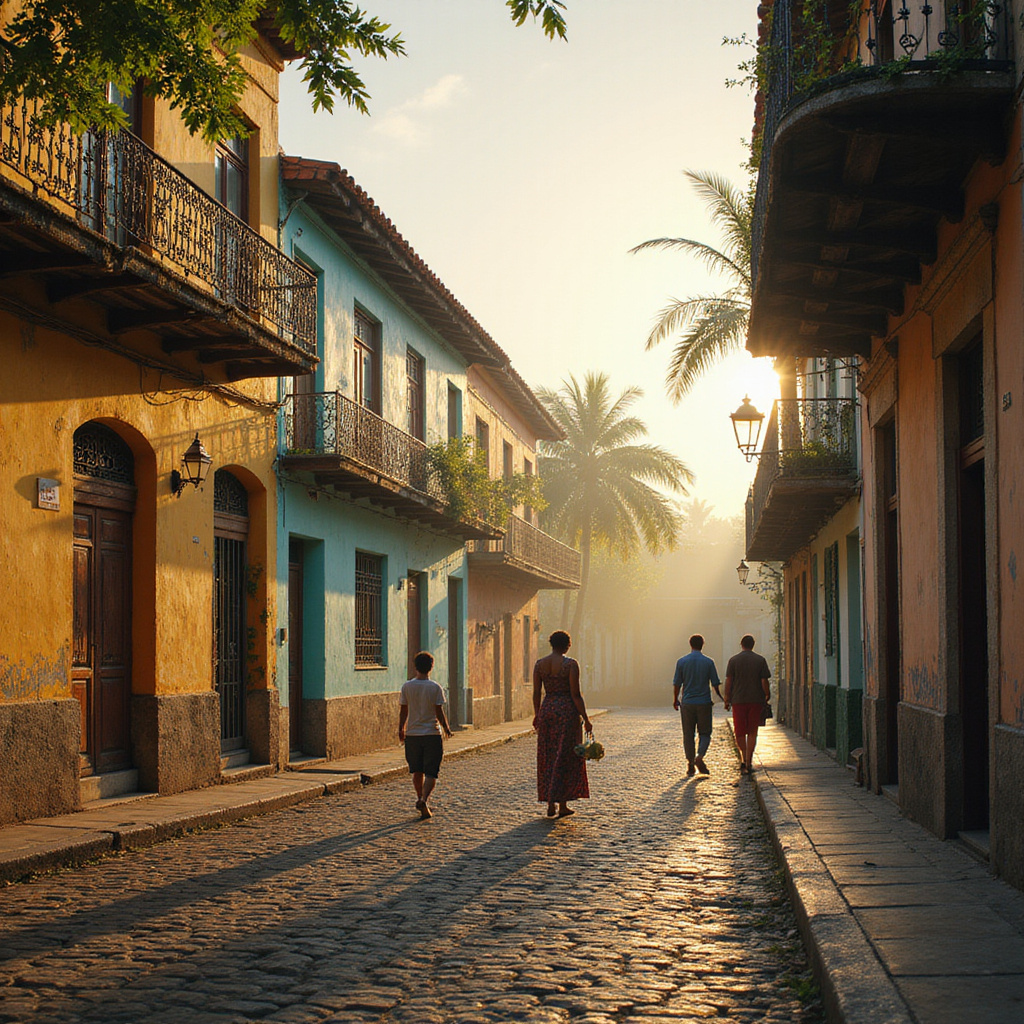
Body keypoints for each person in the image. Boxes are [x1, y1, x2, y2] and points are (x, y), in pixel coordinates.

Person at [533, 629, 592, 818]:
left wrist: (537, 714)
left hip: (548, 709)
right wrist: (586, 718)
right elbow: (575, 694)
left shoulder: (540, 665)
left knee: (548, 756)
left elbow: (536, 692)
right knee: (564, 757)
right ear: (567, 645)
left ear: (551, 644)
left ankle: (550, 802)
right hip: (566, 712)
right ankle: (563, 804)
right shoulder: (570, 665)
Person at [398, 651, 452, 819]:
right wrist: (447, 728)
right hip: (432, 734)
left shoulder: (407, 686)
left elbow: (404, 710)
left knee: (417, 770)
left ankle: (419, 797)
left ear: (415, 667)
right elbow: (439, 711)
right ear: (431, 667)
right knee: (431, 772)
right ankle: (424, 799)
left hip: (413, 734)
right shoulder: (435, 687)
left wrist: (401, 729)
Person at [672, 634, 724, 776]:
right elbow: (715, 683)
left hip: (687, 703)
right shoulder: (709, 662)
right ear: (703, 644)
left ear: (690, 644)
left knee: (688, 734)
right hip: (704, 703)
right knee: (705, 733)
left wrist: (675, 699)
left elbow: (677, 683)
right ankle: (699, 756)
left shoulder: (681, 662)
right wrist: (721, 698)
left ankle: (690, 764)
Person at [724, 634, 772, 775]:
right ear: (753, 645)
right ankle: (749, 761)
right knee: (752, 731)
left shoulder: (733, 661)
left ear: (741, 644)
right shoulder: (760, 660)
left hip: (738, 700)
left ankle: (743, 759)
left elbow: (729, 681)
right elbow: (764, 681)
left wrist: (727, 698)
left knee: (739, 731)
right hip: (756, 700)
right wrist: (767, 694)